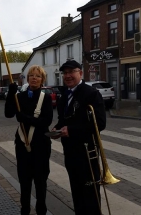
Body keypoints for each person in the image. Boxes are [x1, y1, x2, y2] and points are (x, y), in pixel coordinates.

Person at [51, 60, 106, 215]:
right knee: (76, 190)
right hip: (70, 151)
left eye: (71, 72)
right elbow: (64, 120)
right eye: (65, 73)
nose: (67, 76)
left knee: (90, 193)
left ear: (80, 73)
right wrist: (57, 128)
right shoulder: (64, 96)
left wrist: (72, 131)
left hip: (87, 152)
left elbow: (100, 123)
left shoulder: (91, 93)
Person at [5, 65, 53, 215]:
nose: (34, 78)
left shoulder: (45, 98)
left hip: (41, 145)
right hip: (22, 143)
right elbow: (8, 114)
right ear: (27, 78)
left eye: (38, 76)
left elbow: (46, 121)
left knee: (40, 181)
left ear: (42, 80)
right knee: (25, 181)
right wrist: (11, 94)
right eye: (31, 75)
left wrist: (25, 118)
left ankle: (41, 210)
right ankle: (24, 210)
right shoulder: (20, 97)